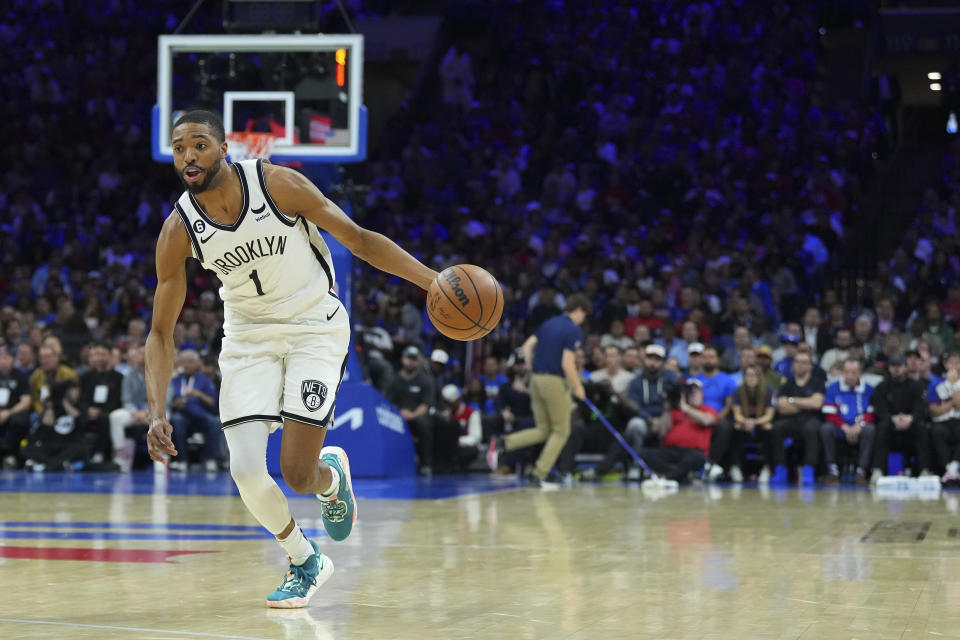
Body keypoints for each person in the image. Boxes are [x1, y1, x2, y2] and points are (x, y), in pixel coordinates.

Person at [145, 110, 439, 608]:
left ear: (223, 148)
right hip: (247, 339)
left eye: (198, 144)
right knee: (244, 470)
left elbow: (361, 241)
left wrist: (433, 282)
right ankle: (305, 560)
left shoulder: (278, 184)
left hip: (313, 328)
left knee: (298, 475)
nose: (188, 156)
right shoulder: (179, 229)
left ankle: (330, 477)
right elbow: (159, 332)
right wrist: (157, 411)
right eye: (178, 148)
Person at [487, 294, 591, 488]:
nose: (583, 320)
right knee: (561, 431)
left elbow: (526, 346)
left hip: (536, 380)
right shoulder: (573, 330)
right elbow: (567, 364)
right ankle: (539, 474)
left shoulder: (549, 324)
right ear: (579, 310)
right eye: (584, 315)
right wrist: (578, 387)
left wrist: (532, 367)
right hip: (554, 381)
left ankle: (503, 443)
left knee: (544, 430)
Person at [635, 379, 717, 483]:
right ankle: (679, 476)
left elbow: (707, 420)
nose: (693, 395)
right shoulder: (675, 411)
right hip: (671, 450)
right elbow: (662, 433)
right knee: (644, 454)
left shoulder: (708, 409)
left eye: (696, 391)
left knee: (697, 458)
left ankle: (666, 478)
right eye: (690, 392)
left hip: (694, 452)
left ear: (702, 394)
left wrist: (686, 409)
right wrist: (667, 408)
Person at [870, 354, 931, 483]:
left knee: (921, 426)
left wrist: (910, 418)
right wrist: (893, 419)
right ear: (889, 368)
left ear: (905, 367)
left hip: (911, 424)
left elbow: (921, 407)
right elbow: (879, 409)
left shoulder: (916, 385)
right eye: (893, 365)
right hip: (890, 425)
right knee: (882, 426)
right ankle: (877, 470)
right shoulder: (881, 387)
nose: (896, 369)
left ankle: (924, 470)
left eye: (899, 365)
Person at [712, 365, 776, 484]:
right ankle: (734, 466)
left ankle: (767, 467)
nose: (751, 378)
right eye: (748, 375)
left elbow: (769, 415)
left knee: (768, 428)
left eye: (754, 375)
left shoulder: (768, 391)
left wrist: (755, 422)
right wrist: (745, 422)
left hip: (760, 422)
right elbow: (737, 414)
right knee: (736, 427)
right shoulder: (738, 391)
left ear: (759, 377)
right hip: (744, 422)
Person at [771, 351, 825, 485]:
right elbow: (781, 405)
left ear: (810, 366)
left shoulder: (818, 383)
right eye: (797, 362)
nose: (800, 365)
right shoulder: (787, 384)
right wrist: (806, 403)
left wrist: (792, 401)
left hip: (811, 420)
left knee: (811, 429)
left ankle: (808, 469)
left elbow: (817, 403)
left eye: (804, 362)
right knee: (777, 428)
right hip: (791, 420)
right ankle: (780, 468)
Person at [820, 359, 876, 485]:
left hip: (860, 427)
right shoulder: (832, 388)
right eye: (846, 372)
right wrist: (844, 427)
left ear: (860, 374)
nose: (849, 375)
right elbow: (830, 413)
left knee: (871, 429)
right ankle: (832, 471)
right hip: (840, 427)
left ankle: (861, 471)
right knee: (826, 428)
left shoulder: (868, 389)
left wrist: (859, 426)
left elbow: (871, 414)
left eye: (853, 372)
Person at [167, 348, 223, 472]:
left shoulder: (205, 380)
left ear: (197, 364)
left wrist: (198, 394)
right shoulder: (175, 380)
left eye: (190, 362)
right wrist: (176, 403)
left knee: (215, 422)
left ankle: (210, 459)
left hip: (202, 414)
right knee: (176, 420)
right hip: (182, 414)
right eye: (184, 362)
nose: (187, 365)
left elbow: (213, 403)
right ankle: (181, 460)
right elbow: (169, 401)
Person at [385, 345, 436, 476]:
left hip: (417, 415)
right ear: (402, 359)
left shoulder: (426, 380)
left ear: (419, 361)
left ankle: (426, 464)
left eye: (414, 359)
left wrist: (412, 415)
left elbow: (426, 404)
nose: (410, 361)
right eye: (408, 358)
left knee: (424, 424)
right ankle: (391, 462)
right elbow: (387, 403)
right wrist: (400, 413)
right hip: (397, 415)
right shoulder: (394, 380)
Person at [77, 342, 124, 466]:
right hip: (89, 411)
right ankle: (78, 453)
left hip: (108, 411)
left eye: (103, 354)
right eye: (96, 354)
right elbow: (81, 399)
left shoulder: (119, 377)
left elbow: (118, 400)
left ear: (109, 356)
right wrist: (87, 410)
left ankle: (100, 452)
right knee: (78, 417)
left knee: (105, 418)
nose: (99, 357)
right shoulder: (85, 377)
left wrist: (100, 411)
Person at [109, 343, 149, 472]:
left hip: (154, 412)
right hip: (134, 412)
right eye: (140, 353)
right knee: (115, 416)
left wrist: (147, 411)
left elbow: (164, 397)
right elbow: (126, 398)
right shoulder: (129, 374)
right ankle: (120, 453)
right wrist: (134, 412)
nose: (142, 356)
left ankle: (161, 456)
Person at [927, 351, 960, 485]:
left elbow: (958, 406)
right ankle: (949, 468)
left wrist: (953, 385)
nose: (954, 366)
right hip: (941, 421)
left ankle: (953, 467)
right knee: (937, 431)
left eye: (958, 362)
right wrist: (952, 402)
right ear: (945, 364)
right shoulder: (935, 383)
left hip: (958, 420)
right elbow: (933, 411)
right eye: (951, 362)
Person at [433, 384, 481, 473]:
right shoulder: (441, 414)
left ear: (458, 399)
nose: (447, 405)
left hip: (459, 446)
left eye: (450, 403)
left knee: (472, 450)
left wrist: (456, 441)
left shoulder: (471, 413)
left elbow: (475, 437)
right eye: (445, 402)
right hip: (444, 448)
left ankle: (455, 467)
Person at [0, 347, 31, 469]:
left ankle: (10, 453)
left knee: (20, 420)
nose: (2, 360)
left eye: (5, 357)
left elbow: (26, 401)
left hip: (12, 413)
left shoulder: (20, 376)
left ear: (12, 359)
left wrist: (8, 412)